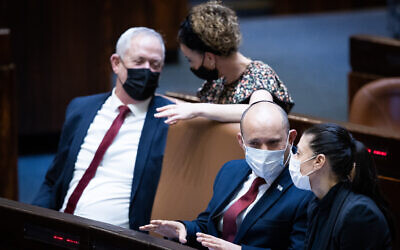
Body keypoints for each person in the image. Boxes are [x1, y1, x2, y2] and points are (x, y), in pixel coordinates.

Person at [32, 27, 173, 230]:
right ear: (116, 63)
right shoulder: (80, 108)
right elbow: (54, 179)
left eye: (155, 65)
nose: (147, 70)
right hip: (61, 227)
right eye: (139, 61)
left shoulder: (168, 120)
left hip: (115, 237)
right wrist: (34, 221)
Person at [141, 101, 313, 249]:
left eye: (273, 142)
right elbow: (208, 226)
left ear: (290, 139)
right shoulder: (230, 170)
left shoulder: (308, 186)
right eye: (254, 143)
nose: (264, 151)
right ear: (241, 142)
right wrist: (184, 229)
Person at [155, 1, 294, 125]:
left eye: (190, 60)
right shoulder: (217, 81)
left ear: (209, 57)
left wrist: (198, 109)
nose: (191, 66)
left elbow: (259, 111)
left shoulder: (260, 74)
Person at [289, 123, 394, 249]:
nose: (293, 158)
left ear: (319, 161)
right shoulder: (316, 203)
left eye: (299, 153)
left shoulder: (358, 213)